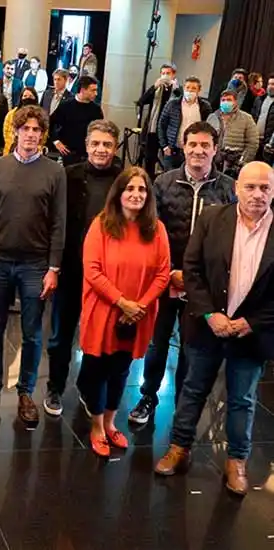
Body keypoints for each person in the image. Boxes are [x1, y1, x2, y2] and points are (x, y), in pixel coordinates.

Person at [155, 162, 274, 497]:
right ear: (236, 188)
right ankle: (179, 447)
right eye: (250, 187)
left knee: (242, 400)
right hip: (207, 327)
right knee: (193, 389)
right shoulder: (212, 219)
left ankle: (237, 461)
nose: (257, 194)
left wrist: (252, 322)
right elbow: (190, 270)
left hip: (252, 334)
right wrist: (209, 314)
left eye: (265, 188)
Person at [128, 121, 236, 425]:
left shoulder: (229, 189)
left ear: (215, 149)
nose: (198, 150)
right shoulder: (163, 183)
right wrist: (170, 272)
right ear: (183, 147)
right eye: (193, 144)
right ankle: (147, 396)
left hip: (205, 288)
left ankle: (183, 408)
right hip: (165, 280)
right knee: (157, 343)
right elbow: (149, 234)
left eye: (205, 145)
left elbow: (233, 241)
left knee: (194, 349)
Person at [0, 105, 65, 427]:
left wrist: (53, 267)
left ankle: (26, 392)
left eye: (36, 130)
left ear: (43, 135)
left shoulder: (55, 171)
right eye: (25, 129)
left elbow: (58, 224)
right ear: (14, 131)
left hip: (35, 265)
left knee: (32, 332)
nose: (30, 135)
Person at [79, 167, 170, 456]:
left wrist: (139, 306)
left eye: (142, 190)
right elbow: (92, 270)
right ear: (119, 193)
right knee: (97, 369)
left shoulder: (157, 229)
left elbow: (163, 273)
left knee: (121, 369)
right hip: (104, 310)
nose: (136, 194)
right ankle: (95, 425)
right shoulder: (102, 224)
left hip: (138, 315)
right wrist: (122, 302)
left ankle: (110, 422)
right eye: (130, 189)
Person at [44, 120, 123, 416]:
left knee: (97, 336)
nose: (101, 149)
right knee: (60, 335)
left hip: (108, 276)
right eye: (95, 144)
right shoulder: (68, 176)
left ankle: (88, 388)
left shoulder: (126, 180)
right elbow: (55, 222)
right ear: (87, 145)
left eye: (107, 144)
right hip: (71, 268)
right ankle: (54, 386)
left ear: (115, 148)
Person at [158, 76, 212, 171]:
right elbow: (161, 125)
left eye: (193, 88)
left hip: (194, 151)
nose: (190, 90)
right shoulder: (172, 104)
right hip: (173, 150)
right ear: (183, 88)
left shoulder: (205, 107)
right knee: (170, 179)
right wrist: (164, 146)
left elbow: (207, 128)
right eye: (187, 87)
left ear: (199, 90)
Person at [50, 75, 104, 165]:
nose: (96, 94)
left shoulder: (96, 109)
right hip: (68, 153)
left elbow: (100, 130)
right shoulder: (66, 106)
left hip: (88, 154)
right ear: (83, 90)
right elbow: (50, 122)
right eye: (93, 90)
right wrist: (56, 141)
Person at [139, 64, 180, 179]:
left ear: (173, 75)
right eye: (163, 73)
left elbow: (181, 100)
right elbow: (142, 101)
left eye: (168, 73)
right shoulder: (157, 89)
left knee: (167, 162)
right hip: (153, 129)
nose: (165, 76)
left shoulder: (177, 90)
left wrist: (176, 89)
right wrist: (154, 87)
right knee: (149, 160)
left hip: (167, 133)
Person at [206, 89, 259, 168]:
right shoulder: (212, 117)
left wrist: (242, 161)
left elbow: (253, 143)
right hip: (212, 162)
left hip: (233, 164)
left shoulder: (247, 118)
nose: (225, 102)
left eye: (229, 100)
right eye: (223, 100)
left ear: (235, 102)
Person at [2, 87, 45, 155]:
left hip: (34, 152)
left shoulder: (41, 115)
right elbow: (6, 132)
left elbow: (43, 135)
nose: (27, 98)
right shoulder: (11, 114)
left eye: (30, 96)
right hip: (11, 150)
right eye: (25, 96)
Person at [252, 74, 274, 159]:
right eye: (269, 84)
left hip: (268, 144)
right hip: (255, 139)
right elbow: (253, 117)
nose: (270, 87)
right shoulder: (259, 99)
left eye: (273, 84)